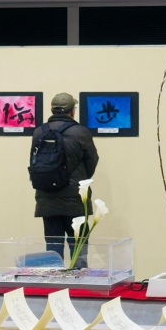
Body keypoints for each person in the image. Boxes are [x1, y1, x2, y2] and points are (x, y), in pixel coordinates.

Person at [32, 92, 99, 268]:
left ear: (52, 110)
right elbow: (92, 161)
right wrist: (80, 181)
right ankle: (79, 281)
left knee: (53, 248)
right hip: (75, 198)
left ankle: (54, 280)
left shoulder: (39, 131)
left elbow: (35, 162)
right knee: (79, 248)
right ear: (72, 111)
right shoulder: (81, 132)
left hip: (47, 198)